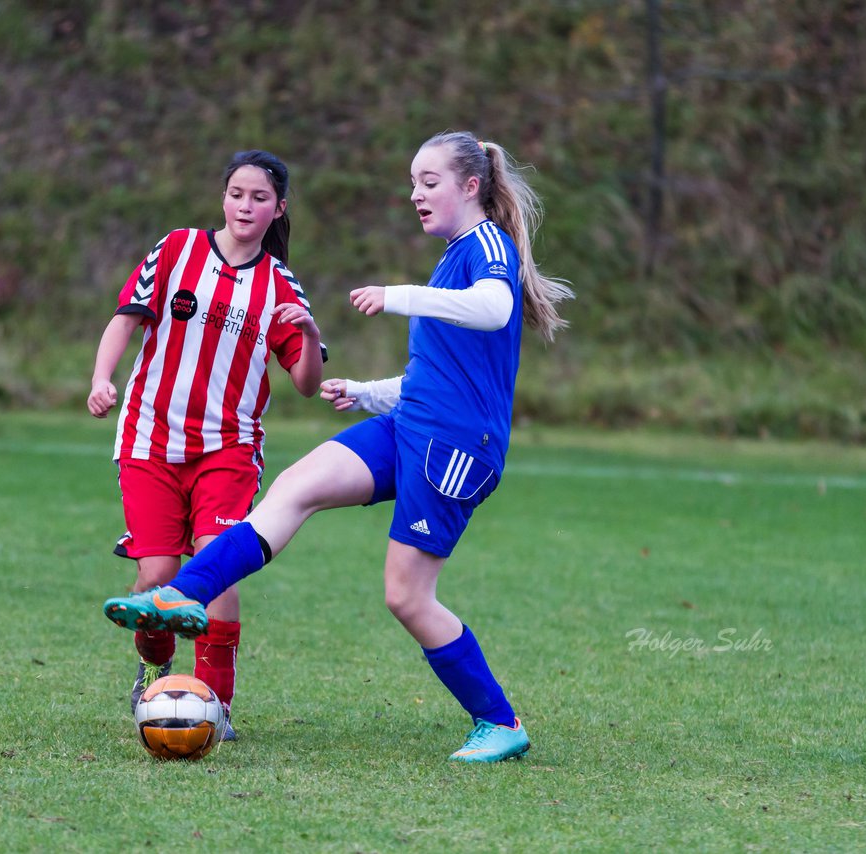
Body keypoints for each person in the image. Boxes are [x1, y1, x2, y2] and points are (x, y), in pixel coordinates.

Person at [103, 131, 573, 762]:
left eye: (428, 183)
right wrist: (370, 392)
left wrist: (396, 297)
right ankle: (182, 593)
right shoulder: (456, 252)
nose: (416, 195)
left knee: (407, 596)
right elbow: (444, 374)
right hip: (412, 425)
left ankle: (498, 720)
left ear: (470, 186)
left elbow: (493, 308)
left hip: (455, 447)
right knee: (296, 486)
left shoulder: (486, 245)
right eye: (412, 183)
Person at [88, 149, 325, 740]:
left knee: (216, 570)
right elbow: (125, 317)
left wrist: (313, 336)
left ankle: (217, 707)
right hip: (150, 437)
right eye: (237, 194)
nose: (246, 206)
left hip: (228, 448)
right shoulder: (175, 249)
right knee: (155, 579)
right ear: (223, 197)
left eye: (260, 198)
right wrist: (101, 378)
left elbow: (305, 384)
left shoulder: (280, 286)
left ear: (279, 209)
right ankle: (154, 669)